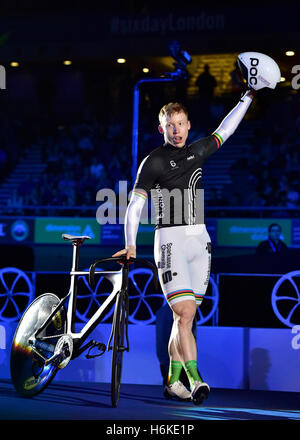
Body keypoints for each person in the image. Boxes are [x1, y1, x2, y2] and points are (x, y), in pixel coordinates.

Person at [113, 87, 256, 404]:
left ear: (189, 125)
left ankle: (172, 382)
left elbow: (227, 129)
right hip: (170, 241)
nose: (176, 130)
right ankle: (195, 380)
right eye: (170, 125)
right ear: (161, 128)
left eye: (181, 123)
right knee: (184, 312)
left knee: (186, 318)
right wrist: (131, 243)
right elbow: (135, 206)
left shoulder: (199, 151)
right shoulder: (153, 162)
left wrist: (247, 96)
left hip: (200, 241)